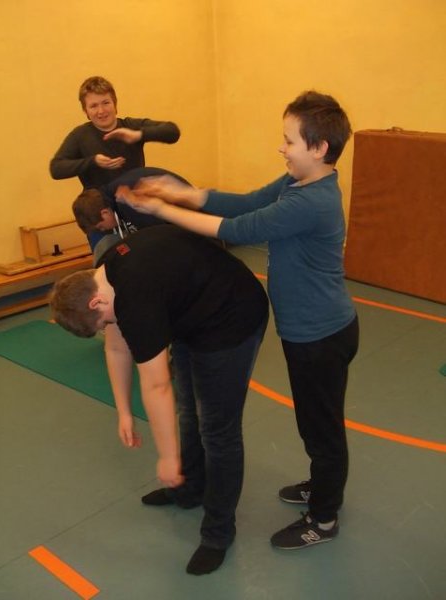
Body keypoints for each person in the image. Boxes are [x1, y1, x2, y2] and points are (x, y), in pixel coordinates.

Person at [115, 90, 360, 551]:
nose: (281, 148)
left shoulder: (312, 202)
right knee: (313, 422)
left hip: (322, 335)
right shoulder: (297, 183)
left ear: (319, 148)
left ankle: (324, 516)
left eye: (289, 140)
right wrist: (182, 193)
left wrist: (163, 210)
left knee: (321, 427)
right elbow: (245, 202)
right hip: (309, 332)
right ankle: (321, 484)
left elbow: (238, 229)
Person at [50, 225, 269, 575]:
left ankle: (218, 532)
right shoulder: (106, 275)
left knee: (218, 431)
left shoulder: (135, 299)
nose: (107, 328)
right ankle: (190, 488)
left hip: (232, 317)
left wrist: (168, 458)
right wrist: (123, 411)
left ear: (95, 301)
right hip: (190, 313)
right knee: (188, 411)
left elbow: (157, 386)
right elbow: (117, 347)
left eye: (102, 323)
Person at [50, 76, 180, 190]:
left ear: (115, 104)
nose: (101, 111)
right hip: (101, 204)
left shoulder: (130, 126)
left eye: (106, 103)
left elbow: (172, 131)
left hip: (135, 199)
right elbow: (56, 169)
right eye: (93, 106)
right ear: (86, 111)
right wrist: (93, 161)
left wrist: (138, 135)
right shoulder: (80, 135)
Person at [71, 166, 191, 263]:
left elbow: (157, 238)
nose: (104, 230)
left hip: (190, 225)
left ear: (105, 213)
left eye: (101, 227)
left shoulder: (127, 202)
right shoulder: (114, 193)